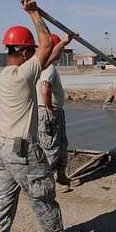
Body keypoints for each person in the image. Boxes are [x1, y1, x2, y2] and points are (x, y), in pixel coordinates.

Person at [0, 0, 81, 232]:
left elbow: (48, 56)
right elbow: (45, 46)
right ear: (26, 53)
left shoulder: (7, 73)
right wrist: (34, 13)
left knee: (1, 202)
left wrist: (64, 43)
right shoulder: (24, 73)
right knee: (42, 195)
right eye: (31, 51)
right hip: (21, 151)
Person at [37, 33, 73, 192]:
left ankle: (61, 177)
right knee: (51, 148)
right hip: (49, 113)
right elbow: (45, 88)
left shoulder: (45, 65)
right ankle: (47, 185)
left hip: (55, 112)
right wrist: (50, 107)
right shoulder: (48, 68)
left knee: (62, 144)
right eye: (60, 49)